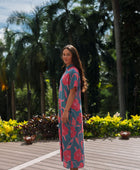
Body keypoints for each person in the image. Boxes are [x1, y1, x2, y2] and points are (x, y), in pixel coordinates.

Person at [58, 44, 87, 170]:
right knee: (68, 142)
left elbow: (72, 92)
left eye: (68, 54)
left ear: (73, 56)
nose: (65, 56)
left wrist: (66, 111)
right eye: (64, 54)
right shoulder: (67, 70)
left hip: (71, 113)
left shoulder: (73, 71)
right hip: (66, 112)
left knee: (73, 143)